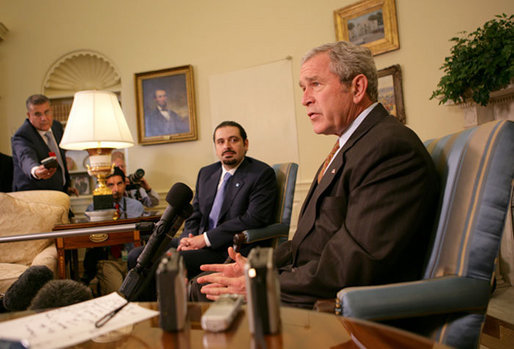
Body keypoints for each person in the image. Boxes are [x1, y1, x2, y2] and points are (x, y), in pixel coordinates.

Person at [195, 41, 440, 309]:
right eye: (303, 88)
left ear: (357, 88)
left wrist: (260, 283)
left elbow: (355, 262)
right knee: (202, 284)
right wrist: (255, 267)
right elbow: (306, 242)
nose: (305, 99)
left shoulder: (389, 148)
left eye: (316, 85)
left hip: (335, 306)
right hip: (309, 283)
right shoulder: (354, 143)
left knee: (201, 292)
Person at [127, 120, 277, 299]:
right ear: (215, 147)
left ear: (246, 144)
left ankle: (155, 313)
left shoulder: (260, 174)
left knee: (165, 261)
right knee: (137, 255)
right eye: (220, 142)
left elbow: (254, 218)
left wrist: (204, 240)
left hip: (228, 248)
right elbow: (195, 213)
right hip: (198, 242)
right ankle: (144, 311)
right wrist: (187, 239)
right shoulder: (206, 173)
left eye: (233, 140)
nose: (226, 146)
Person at [82, 167, 145, 295]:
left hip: (133, 258)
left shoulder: (136, 206)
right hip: (108, 259)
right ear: (104, 186)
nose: (116, 189)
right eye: (111, 185)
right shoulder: (93, 208)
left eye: (119, 184)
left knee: (136, 294)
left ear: (125, 184)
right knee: (117, 295)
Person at [11, 94, 77, 195]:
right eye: (37, 114)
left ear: (51, 110)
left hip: (58, 193)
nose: (44, 118)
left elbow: (60, 160)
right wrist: (36, 170)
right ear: (29, 115)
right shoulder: (22, 135)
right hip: (33, 198)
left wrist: (65, 186)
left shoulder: (56, 127)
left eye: (47, 112)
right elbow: (25, 156)